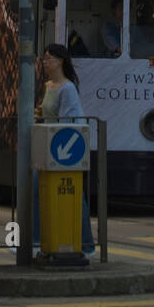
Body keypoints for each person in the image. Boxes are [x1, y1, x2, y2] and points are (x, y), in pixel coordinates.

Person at [34, 44, 95, 257]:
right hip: (49, 144)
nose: (44, 61)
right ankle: (37, 241)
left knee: (75, 195)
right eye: (44, 58)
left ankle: (86, 244)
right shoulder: (48, 85)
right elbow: (47, 113)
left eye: (48, 58)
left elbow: (71, 119)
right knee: (37, 191)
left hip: (63, 146)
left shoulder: (68, 88)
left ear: (60, 61)